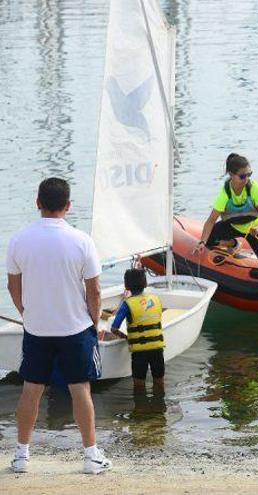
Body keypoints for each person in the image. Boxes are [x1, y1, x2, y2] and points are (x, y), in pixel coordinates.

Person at [6, 177, 112, 474]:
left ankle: (21, 456)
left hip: (37, 328)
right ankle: (91, 457)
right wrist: (94, 321)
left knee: (31, 389)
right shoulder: (82, 241)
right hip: (75, 328)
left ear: (38, 203)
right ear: (68, 206)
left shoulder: (18, 240)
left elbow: (13, 285)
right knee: (81, 390)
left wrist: (27, 313)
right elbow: (95, 291)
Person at [194, 153, 258, 259]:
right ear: (231, 175)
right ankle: (234, 244)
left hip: (253, 229)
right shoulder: (225, 193)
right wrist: (202, 242)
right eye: (243, 176)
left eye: (250, 174)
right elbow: (211, 220)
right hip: (232, 226)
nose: (247, 178)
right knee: (209, 241)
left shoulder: (254, 189)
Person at [105, 268, 165, 392]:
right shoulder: (156, 299)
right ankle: (159, 407)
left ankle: (140, 408)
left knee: (139, 385)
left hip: (140, 353)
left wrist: (126, 337)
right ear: (146, 284)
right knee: (159, 382)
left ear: (126, 286)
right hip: (157, 349)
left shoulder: (127, 304)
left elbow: (114, 328)